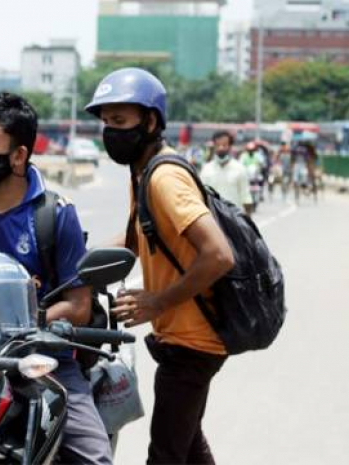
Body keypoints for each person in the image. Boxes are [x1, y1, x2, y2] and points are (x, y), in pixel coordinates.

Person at [0, 92, 113, 464]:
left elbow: (79, 306)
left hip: (47, 363)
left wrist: (23, 326)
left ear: (19, 155)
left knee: (94, 458)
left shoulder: (55, 214)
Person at [85, 68, 235, 465]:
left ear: (150, 121)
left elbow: (219, 255)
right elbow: (135, 238)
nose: (110, 132)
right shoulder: (143, 172)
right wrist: (73, 265)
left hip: (193, 340)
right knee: (188, 447)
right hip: (184, 338)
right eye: (105, 123)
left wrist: (157, 302)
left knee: (166, 454)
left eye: (120, 121)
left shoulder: (164, 178)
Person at [200, 131, 254, 215]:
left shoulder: (239, 169)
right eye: (218, 145)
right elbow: (201, 196)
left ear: (230, 146)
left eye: (224, 145)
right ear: (214, 146)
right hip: (213, 219)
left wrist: (248, 221)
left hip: (234, 218)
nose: (221, 148)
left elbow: (246, 196)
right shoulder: (206, 170)